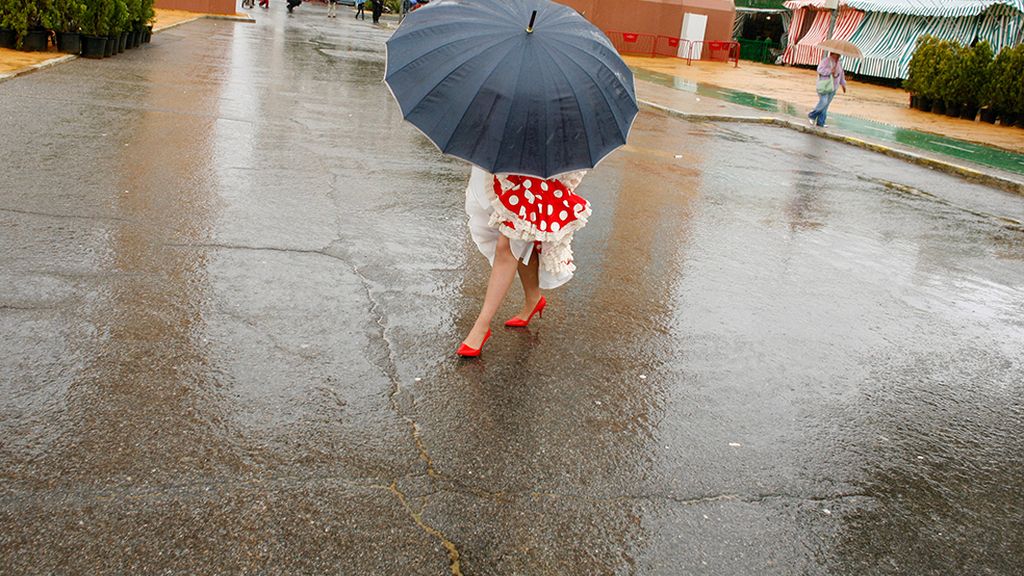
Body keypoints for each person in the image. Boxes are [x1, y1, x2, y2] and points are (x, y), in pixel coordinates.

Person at [457, 168, 591, 357]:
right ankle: (533, 298)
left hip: (535, 172)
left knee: (508, 243)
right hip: (507, 163)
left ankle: (481, 326)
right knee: (522, 237)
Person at [808, 52, 846, 128]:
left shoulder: (839, 63)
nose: (839, 56)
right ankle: (812, 115)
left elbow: (841, 74)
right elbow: (820, 70)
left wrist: (843, 84)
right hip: (824, 85)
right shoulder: (826, 61)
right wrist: (830, 71)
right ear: (832, 54)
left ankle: (821, 122)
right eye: (837, 54)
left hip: (833, 87)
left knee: (826, 105)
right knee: (824, 101)